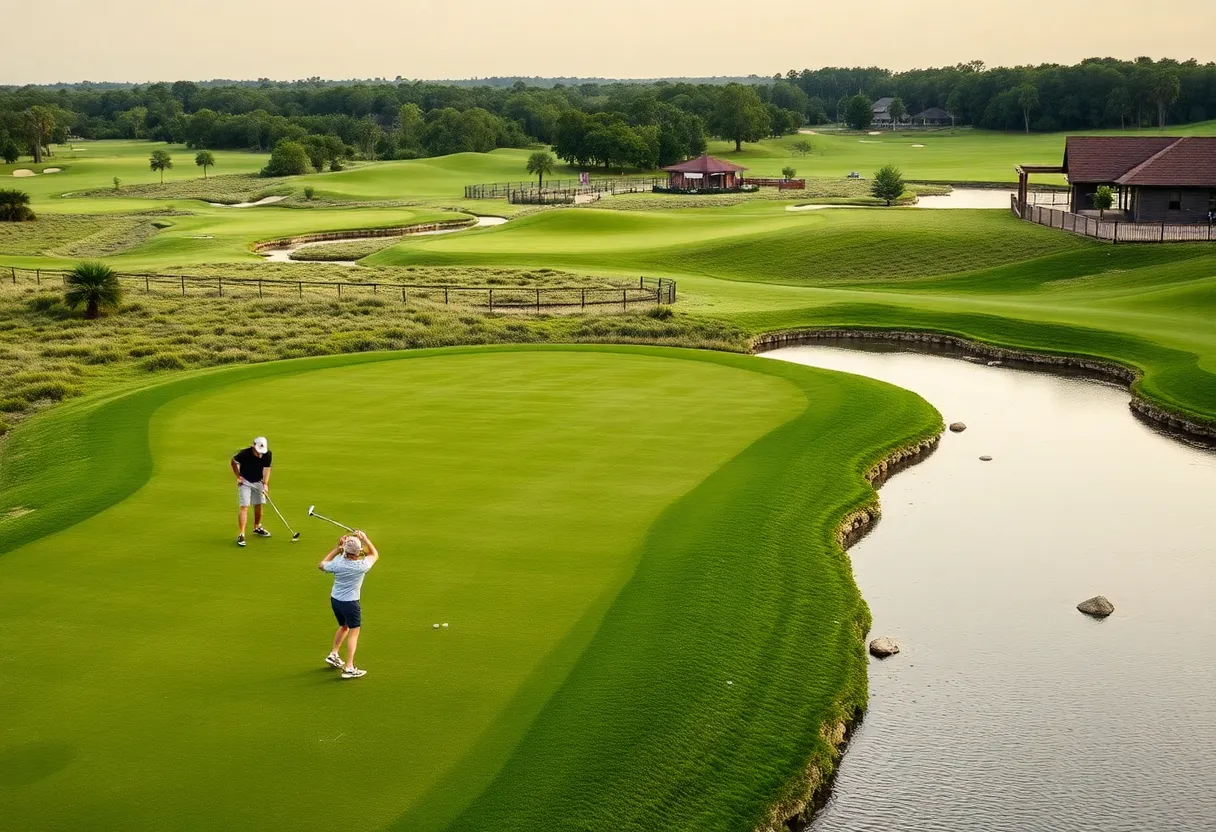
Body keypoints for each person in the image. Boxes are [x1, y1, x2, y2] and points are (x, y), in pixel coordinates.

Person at [319, 530, 379, 680]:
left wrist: (337, 549)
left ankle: (334, 654)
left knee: (344, 626)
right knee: (354, 631)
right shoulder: (361, 565)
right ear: (358, 552)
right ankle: (349, 667)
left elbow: (321, 565)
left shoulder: (337, 562)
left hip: (336, 600)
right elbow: (374, 554)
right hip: (350, 603)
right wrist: (365, 538)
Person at [230, 437, 272, 547]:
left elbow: (267, 469)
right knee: (244, 506)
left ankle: (257, 527)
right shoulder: (244, 454)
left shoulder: (267, 454)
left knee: (259, 504)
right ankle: (241, 534)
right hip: (245, 481)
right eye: (258, 452)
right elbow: (233, 461)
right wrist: (238, 477)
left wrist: (265, 484)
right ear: (253, 446)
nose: (259, 455)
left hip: (258, 482)